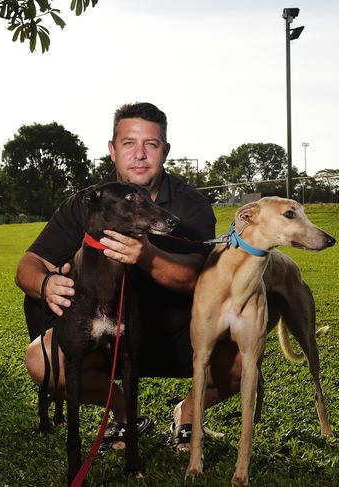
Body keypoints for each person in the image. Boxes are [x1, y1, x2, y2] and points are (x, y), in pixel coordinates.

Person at [16, 102, 242, 451]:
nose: (139, 154)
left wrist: (146, 255)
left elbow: (197, 279)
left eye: (150, 144)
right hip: (104, 336)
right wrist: (46, 284)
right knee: (40, 361)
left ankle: (188, 415)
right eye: (128, 143)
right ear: (112, 149)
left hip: (173, 334)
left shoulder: (189, 204)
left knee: (241, 361)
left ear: (164, 151)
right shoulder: (88, 201)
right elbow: (28, 265)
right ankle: (125, 413)